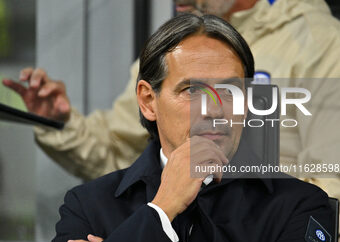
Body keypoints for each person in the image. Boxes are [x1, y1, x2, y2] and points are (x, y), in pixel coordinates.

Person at [50, 14, 333, 242]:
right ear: (148, 101)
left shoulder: (300, 205)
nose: (214, 111)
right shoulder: (88, 205)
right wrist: (162, 210)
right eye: (192, 91)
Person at [2, 0, 340, 198]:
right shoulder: (176, 46)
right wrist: (61, 122)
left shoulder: (320, 41)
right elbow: (118, 153)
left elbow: (330, 183)